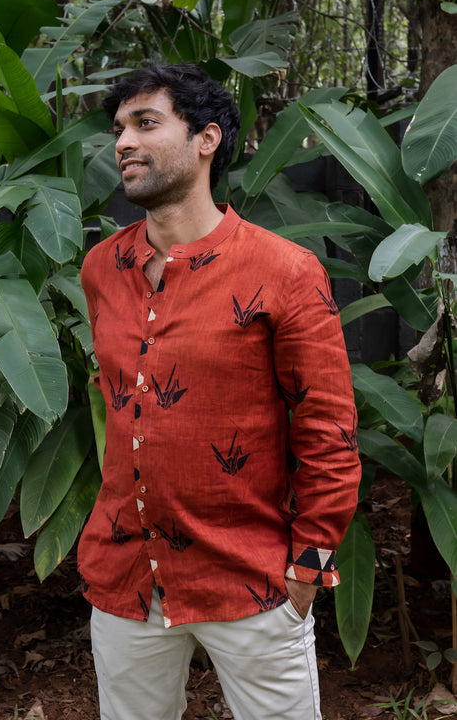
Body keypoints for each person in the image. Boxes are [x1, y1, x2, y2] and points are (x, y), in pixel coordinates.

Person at [79, 63, 361, 720]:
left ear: (206, 139)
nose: (124, 142)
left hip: (252, 582)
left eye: (146, 123)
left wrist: (307, 571)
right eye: (119, 129)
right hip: (124, 578)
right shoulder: (102, 269)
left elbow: (329, 431)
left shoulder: (284, 271)